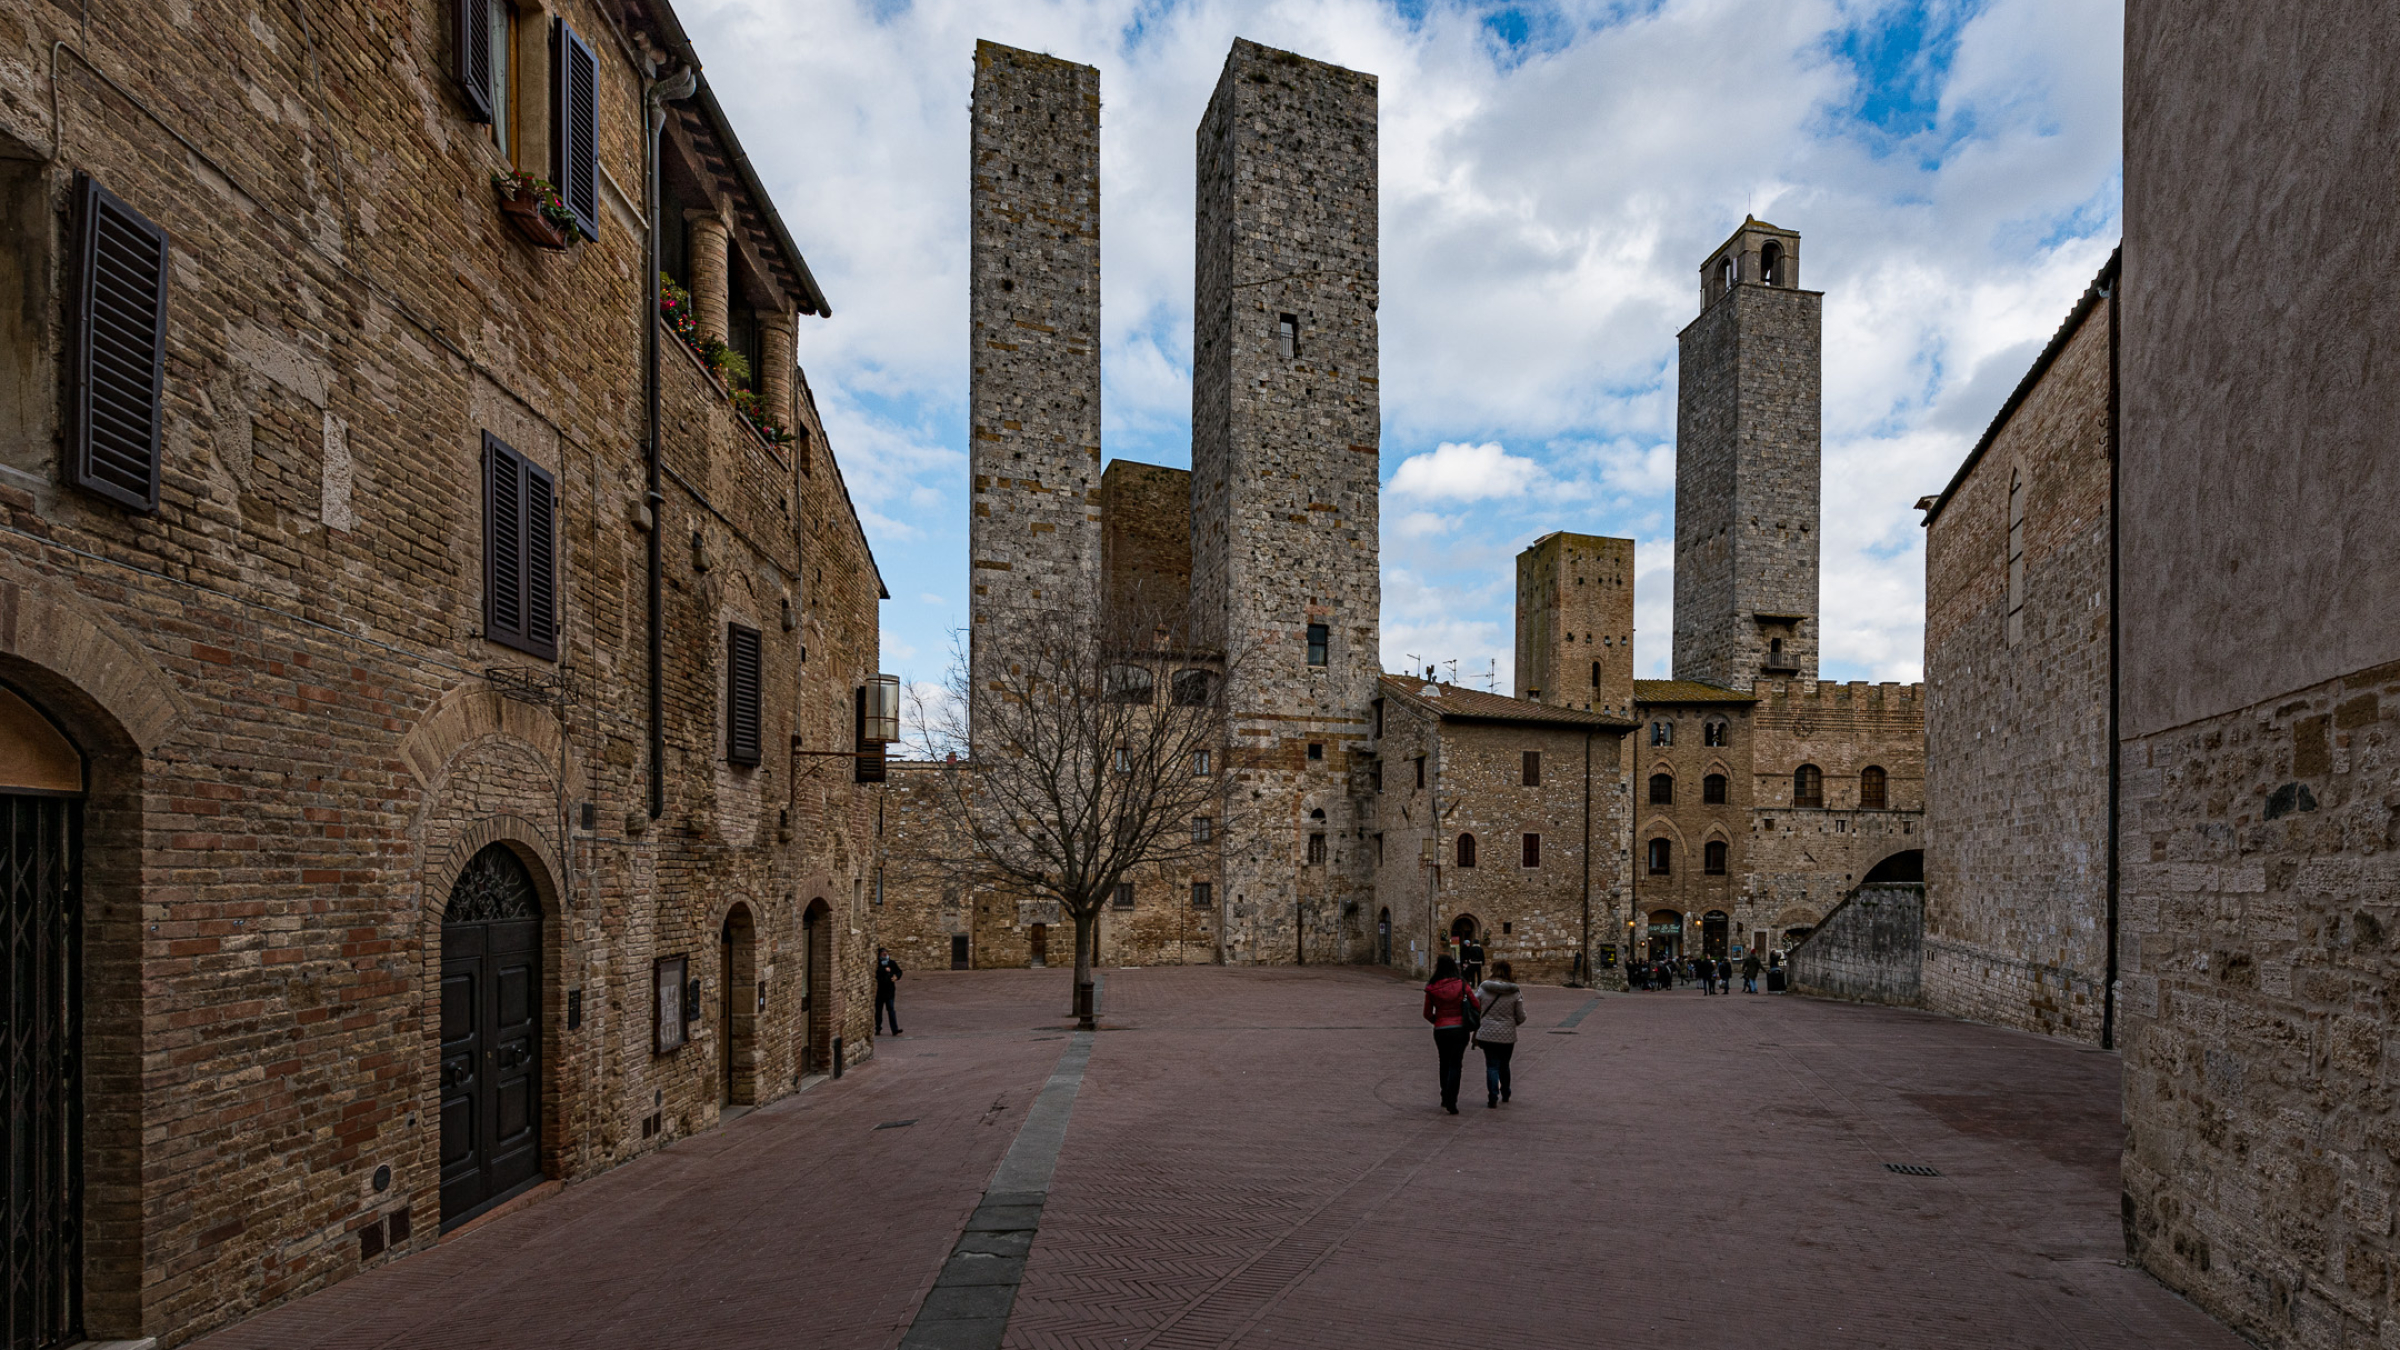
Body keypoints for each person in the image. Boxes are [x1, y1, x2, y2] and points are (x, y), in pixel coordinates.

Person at [1422, 956, 1479, 1114]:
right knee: (1456, 1064)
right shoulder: (1461, 985)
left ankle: (1444, 1095)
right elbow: (1475, 1004)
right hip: (1459, 1028)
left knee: (1444, 1062)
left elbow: (1427, 1013)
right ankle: (1452, 1099)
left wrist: (1438, 1020)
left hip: (1441, 1029)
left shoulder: (1432, 987)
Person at [1475, 961, 1529, 1107]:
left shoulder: (1483, 987)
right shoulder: (1515, 991)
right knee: (1504, 1065)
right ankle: (1505, 1091)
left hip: (1487, 1032)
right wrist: (1511, 1023)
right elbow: (1521, 1016)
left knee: (1491, 1066)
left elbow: (1474, 1005)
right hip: (1507, 1034)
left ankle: (1493, 1095)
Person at [874, 947, 903, 1035]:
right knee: (878, 1011)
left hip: (890, 990)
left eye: (886, 952)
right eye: (883, 953)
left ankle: (894, 1029)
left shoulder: (891, 963)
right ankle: (878, 1028)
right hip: (880, 991)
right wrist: (883, 970)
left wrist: (896, 977)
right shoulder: (878, 964)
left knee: (891, 1010)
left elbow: (899, 972)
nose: (885, 954)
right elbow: (876, 972)